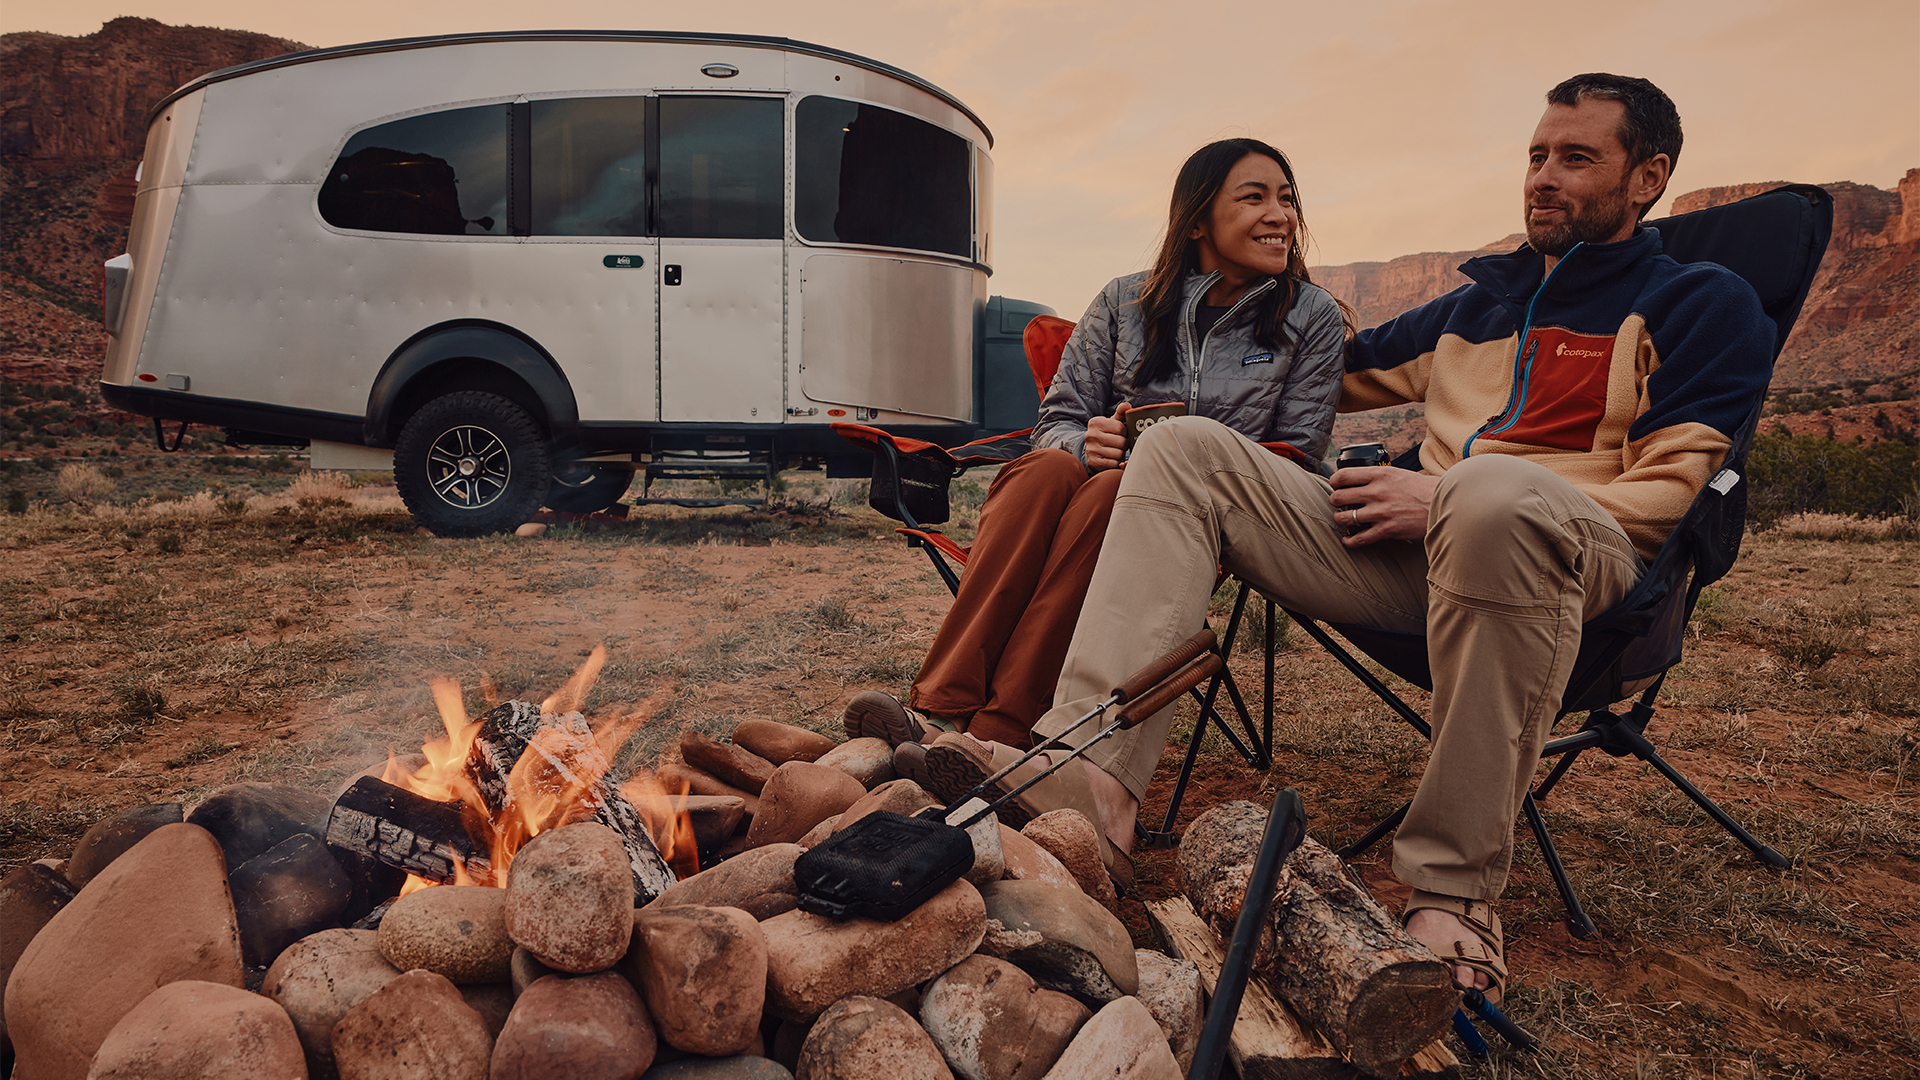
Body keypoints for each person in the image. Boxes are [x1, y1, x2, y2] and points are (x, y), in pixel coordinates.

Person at [915, 74, 1774, 1003]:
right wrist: (1161, 322)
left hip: (1577, 561)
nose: (1543, 178)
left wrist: (1443, 497)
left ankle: (1452, 892)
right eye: (1536, 156)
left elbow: (1668, 498)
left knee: (1488, 494)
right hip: (1412, 558)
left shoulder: (1700, 301)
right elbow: (1305, 353)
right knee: (1189, 453)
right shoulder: (1478, 307)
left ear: (1646, 177)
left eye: (1576, 159)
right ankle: (1094, 788)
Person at [844, 138, 1354, 780]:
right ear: (1196, 219)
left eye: (1287, 198)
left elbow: (1297, 458)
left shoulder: (1309, 317)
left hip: (1212, 518)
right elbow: (1052, 423)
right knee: (1052, 469)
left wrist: (1181, 461)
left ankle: (993, 730)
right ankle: (945, 715)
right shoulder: (1125, 303)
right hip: (1086, 497)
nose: (1280, 214)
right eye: (1254, 197)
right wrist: (1088, 442)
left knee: (1110, 495)